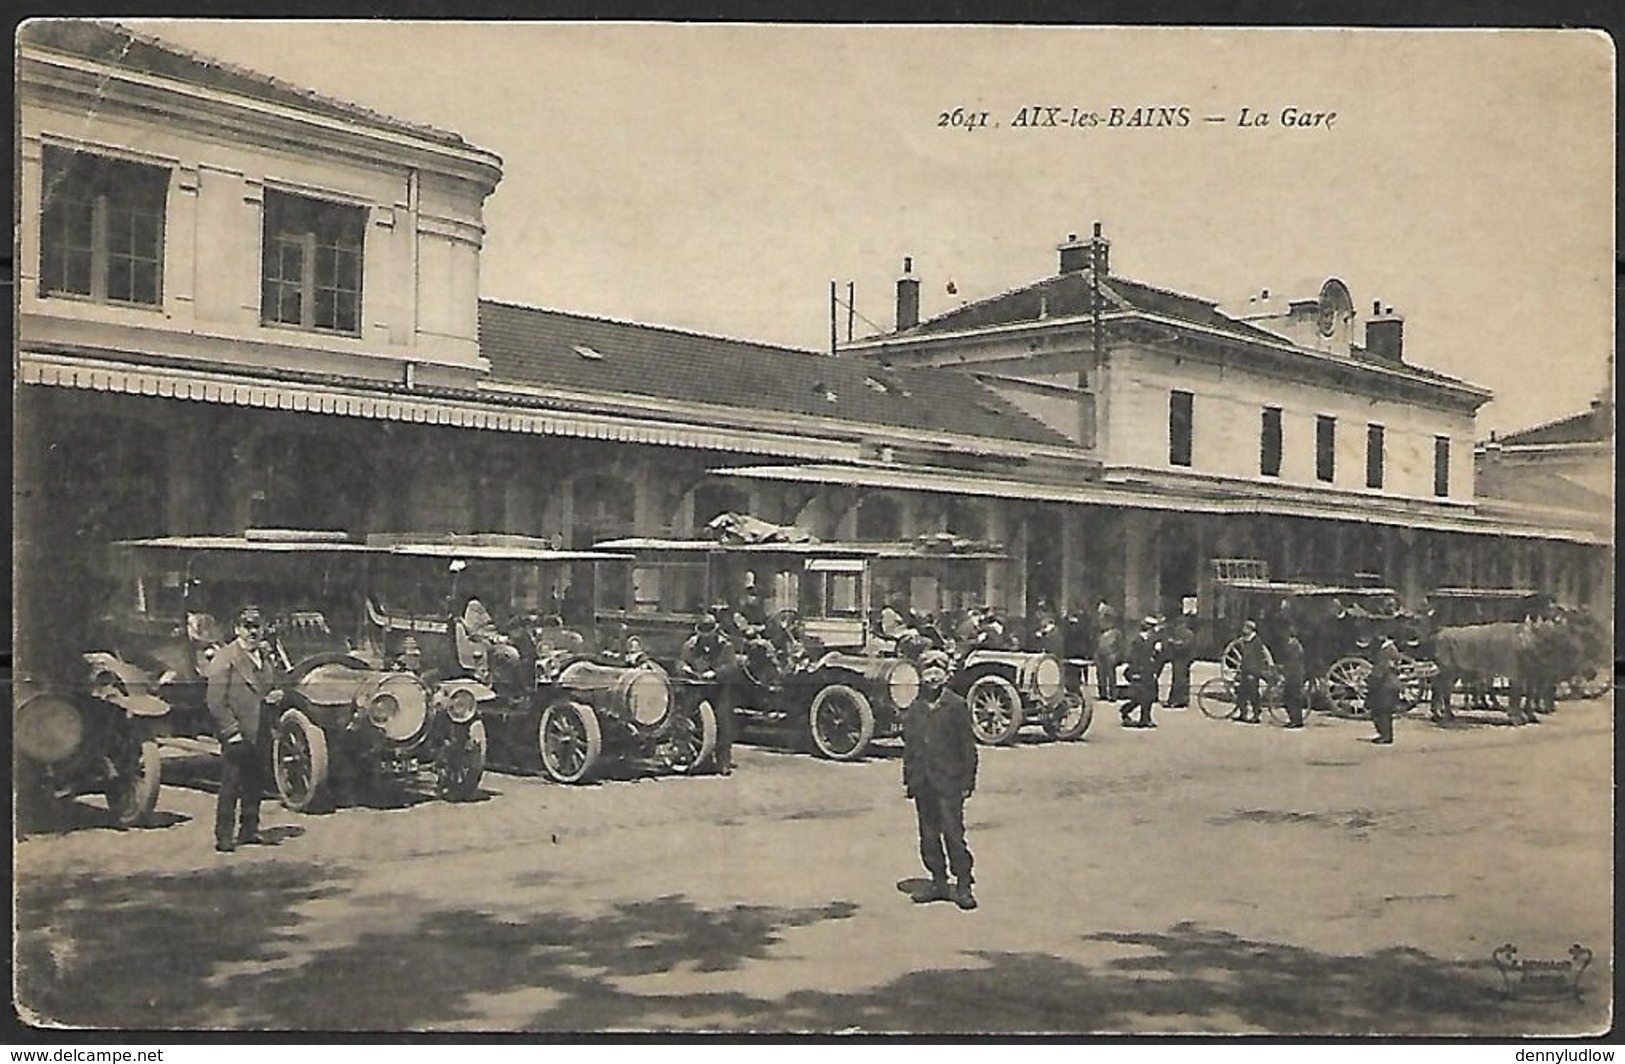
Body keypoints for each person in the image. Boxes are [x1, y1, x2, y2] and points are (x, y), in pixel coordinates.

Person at [902, 650, 979, 910]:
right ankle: (938, 881)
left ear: (947, 675)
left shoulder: (956, 706)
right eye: (927, 671)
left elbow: (967, 748)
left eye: (938, 671)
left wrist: (967, 781)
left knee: (953, 834)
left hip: (950, 782)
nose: (932, 676)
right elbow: (910, 746)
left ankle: (964, 883)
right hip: (923, 782)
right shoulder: (915, 707)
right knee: (928, 835)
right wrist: (910, 779)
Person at [206, 606, 284, 853]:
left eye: (256, 627)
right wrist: (231, 730)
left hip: (260, 728)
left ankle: (249, 829)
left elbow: (268, 686)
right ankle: (224, 836)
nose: (252, 632)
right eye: (247, 627)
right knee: (231, 783)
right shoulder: (225, 657)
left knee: (255, 781)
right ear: (237, 629)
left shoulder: (265, 656)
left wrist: (274, 694)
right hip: (237, 730)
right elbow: (215, 700)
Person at [680, 614, 739, 775]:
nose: (705, 638)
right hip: (696, 688)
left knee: (723, 723)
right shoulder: (690, 646)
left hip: (718, 689)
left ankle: (723, 762)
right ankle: (689, 755)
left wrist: (714, 673)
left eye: (709, 634)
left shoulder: (725, 646)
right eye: (702, 634)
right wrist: (685, 668)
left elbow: (732, 667)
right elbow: (681, 662)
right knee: (685, 719)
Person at [1120, 616, 1160, 728]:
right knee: (1140, 696)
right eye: (1151, 628)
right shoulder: (1137, 641)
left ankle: (1145, 718)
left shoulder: (1153, 641)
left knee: (1150, 696)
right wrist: (1135, 672)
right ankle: (1126, 711)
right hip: (1139, 671)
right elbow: (1132, 658)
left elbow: (1156, 657)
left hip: (1149, 671)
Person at [1235, 618, 1276, 724]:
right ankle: (1243, 713)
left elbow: (1265, 652)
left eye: (1245, 628)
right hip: (1245, 669)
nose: (1243, 629)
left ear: (1250, 629)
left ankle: (1256, 715)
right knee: (1242, 693)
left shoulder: (1257, 641)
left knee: (1253, 693)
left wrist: (1270, 664)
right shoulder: (1245, 640)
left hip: (1253, 670)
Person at [1367, 635, 1401, 744]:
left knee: (1380, 711)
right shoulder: (1392, 649)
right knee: (1385, 712)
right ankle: (1386, 734)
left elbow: (1380, 670)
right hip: (1391, 683)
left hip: (1385, 684)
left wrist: (1371, 681)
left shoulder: (1385, 652)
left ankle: (1385, 735)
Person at [1162, 609, 1196, 708]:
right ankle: (1181, 699)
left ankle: (1178, 700)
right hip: (1180, 658)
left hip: (1183, 659)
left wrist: (1173, 642)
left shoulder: (1188, 634)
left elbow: (1185, 645)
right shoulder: (1185, 633)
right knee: (1180, 679)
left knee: (1179, 680)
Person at [1279, 627, 1307, 728]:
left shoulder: (1293, 646)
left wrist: (1285, 673)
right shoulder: (1296, 645)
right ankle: (1295, 720)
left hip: (1294, 675)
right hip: (1295, 674)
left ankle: (1296, 720)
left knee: (1291, 698)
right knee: (1293, 698)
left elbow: (1292, 663)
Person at [1095, 608, 1122, 702]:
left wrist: (1117, 656)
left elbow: (1120, 646)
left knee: (1111, 676)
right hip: (1099, 655)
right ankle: (1102, 694)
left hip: (1110, 655)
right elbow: (1095, 644)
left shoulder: (1116, 633)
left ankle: (1113, 695)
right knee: (1100, 675)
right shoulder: (1099, 633)